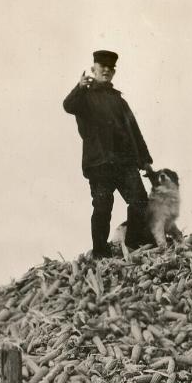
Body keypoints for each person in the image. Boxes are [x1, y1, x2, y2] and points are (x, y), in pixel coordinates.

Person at [63, 50, 153, 258]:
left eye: (110, 69)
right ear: (93, 69)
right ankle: (100, 253)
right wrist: (78, 87)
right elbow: (68, 106)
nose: (106, 71)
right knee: (103, 207)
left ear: (113, 72)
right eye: (102, 67)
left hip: (125, 163)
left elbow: (134, 131)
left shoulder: (119, 101)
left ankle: (133, 242)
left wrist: (145, 160)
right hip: (100, 163)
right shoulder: (84, 95)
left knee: (140, 201)